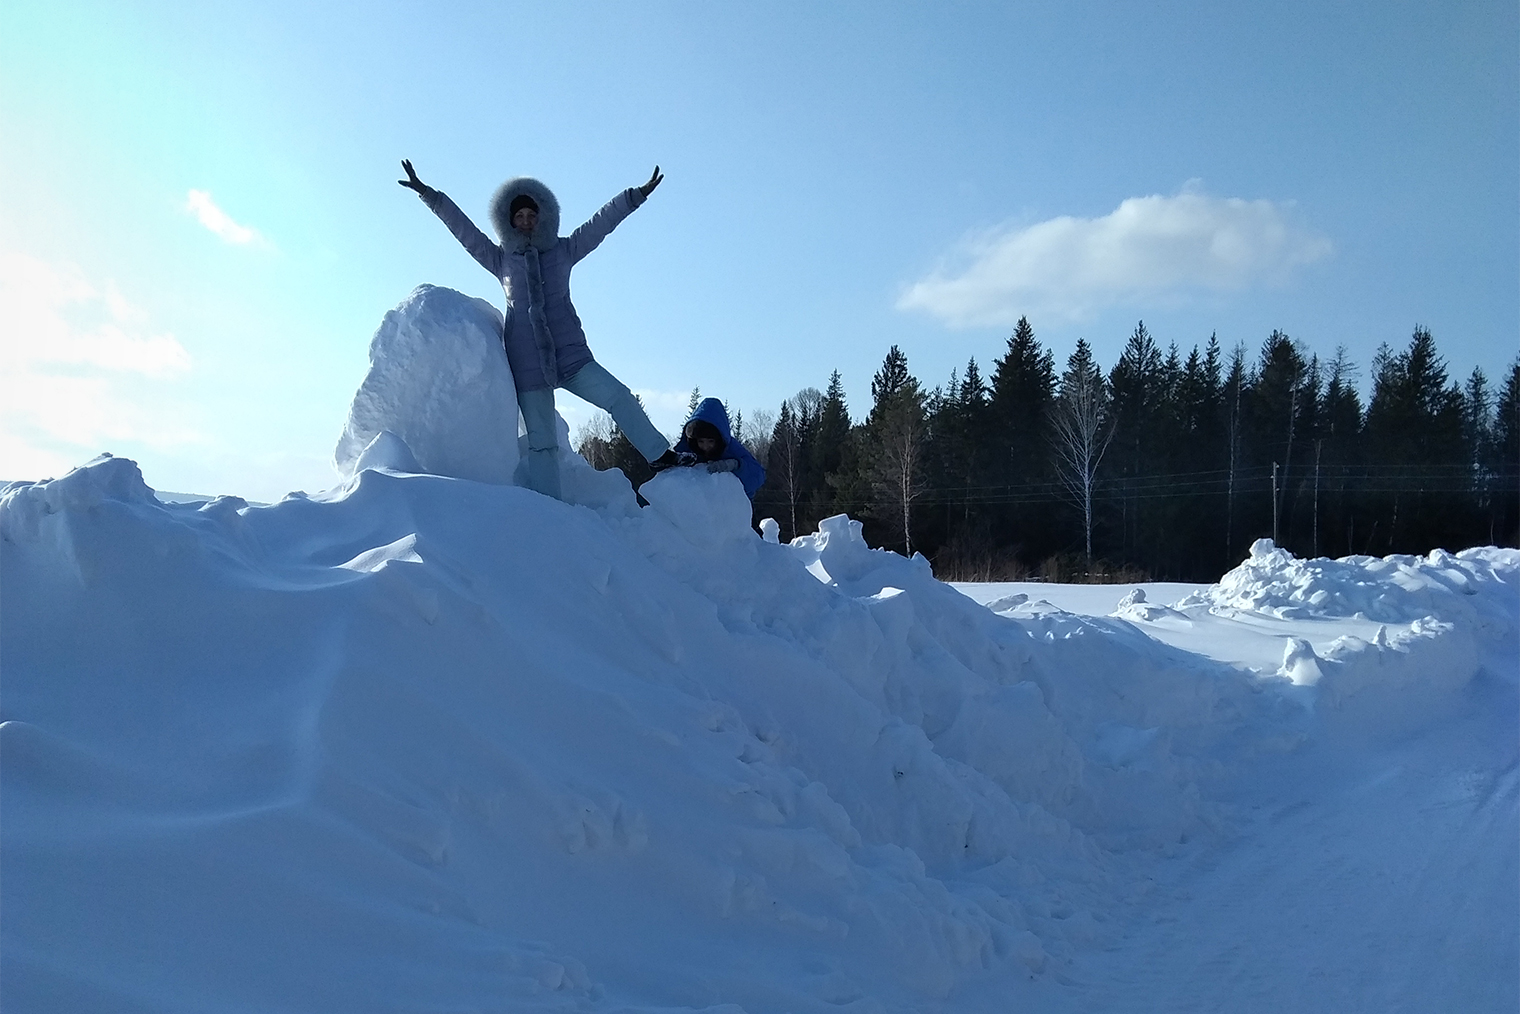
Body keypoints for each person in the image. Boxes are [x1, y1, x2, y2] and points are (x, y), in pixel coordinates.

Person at [398, 159, 684, 500]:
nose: (526, 221)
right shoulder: (500, 259)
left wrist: (635, 196)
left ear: (543, 216)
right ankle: (551, 511)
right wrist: (429, 195)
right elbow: (464, 231)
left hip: (573, 357)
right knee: (542, 444)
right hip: (528, 365)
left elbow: (601, 223)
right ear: (509, 221)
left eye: (532, 215)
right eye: (519, 216)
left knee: (619, 397)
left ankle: (660, 456)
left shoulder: (563, 251)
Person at [672, 398, 766, 500]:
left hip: (730, 507)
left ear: (719, 439)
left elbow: (757, 476)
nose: (706, 447)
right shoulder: (686, 451)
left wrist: (737, 466)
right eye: (701, 442)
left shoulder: (732, 449)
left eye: (711, 441)